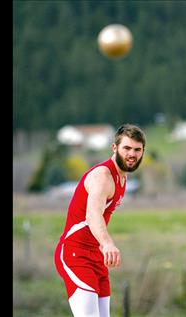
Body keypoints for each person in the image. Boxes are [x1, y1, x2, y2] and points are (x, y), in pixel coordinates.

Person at [54, 123, 146, 317]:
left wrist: (101, 247)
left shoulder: (123, 178)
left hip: (97, 257)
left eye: (137, 150)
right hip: (75, 253)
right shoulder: (103, 175)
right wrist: (107, 243)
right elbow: (92, 214)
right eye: (127, 148)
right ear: (115, 148)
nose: (132, 154)